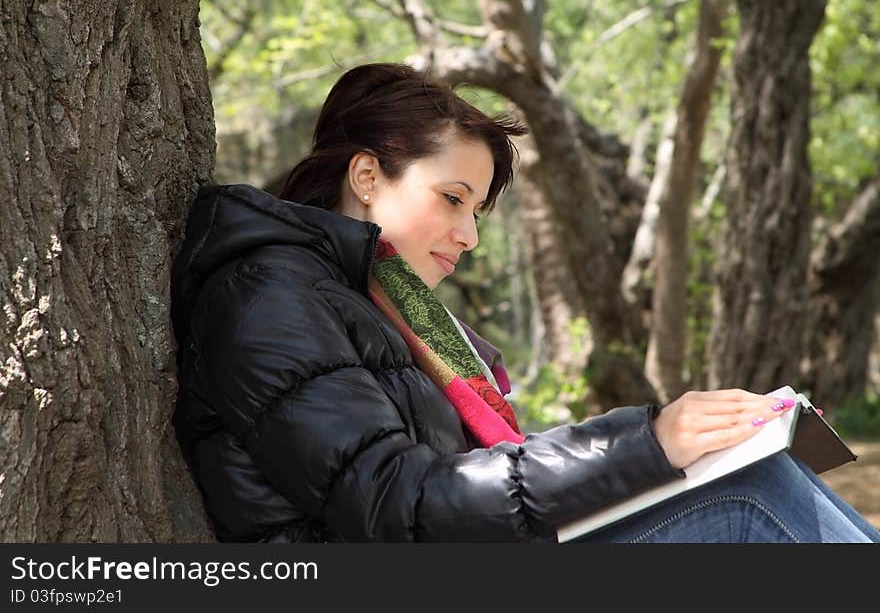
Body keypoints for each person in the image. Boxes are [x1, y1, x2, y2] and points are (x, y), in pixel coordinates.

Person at [170, 62, 879, 543]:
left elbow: (478, 472)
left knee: (754, 471)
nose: (469, 234)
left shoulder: (395, 309)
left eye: (477, 211)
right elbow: (395, 499)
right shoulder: (265, 292)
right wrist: (645, 442)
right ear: (365, 174)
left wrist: (669, 445)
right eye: (452, 200)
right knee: (751, 503)